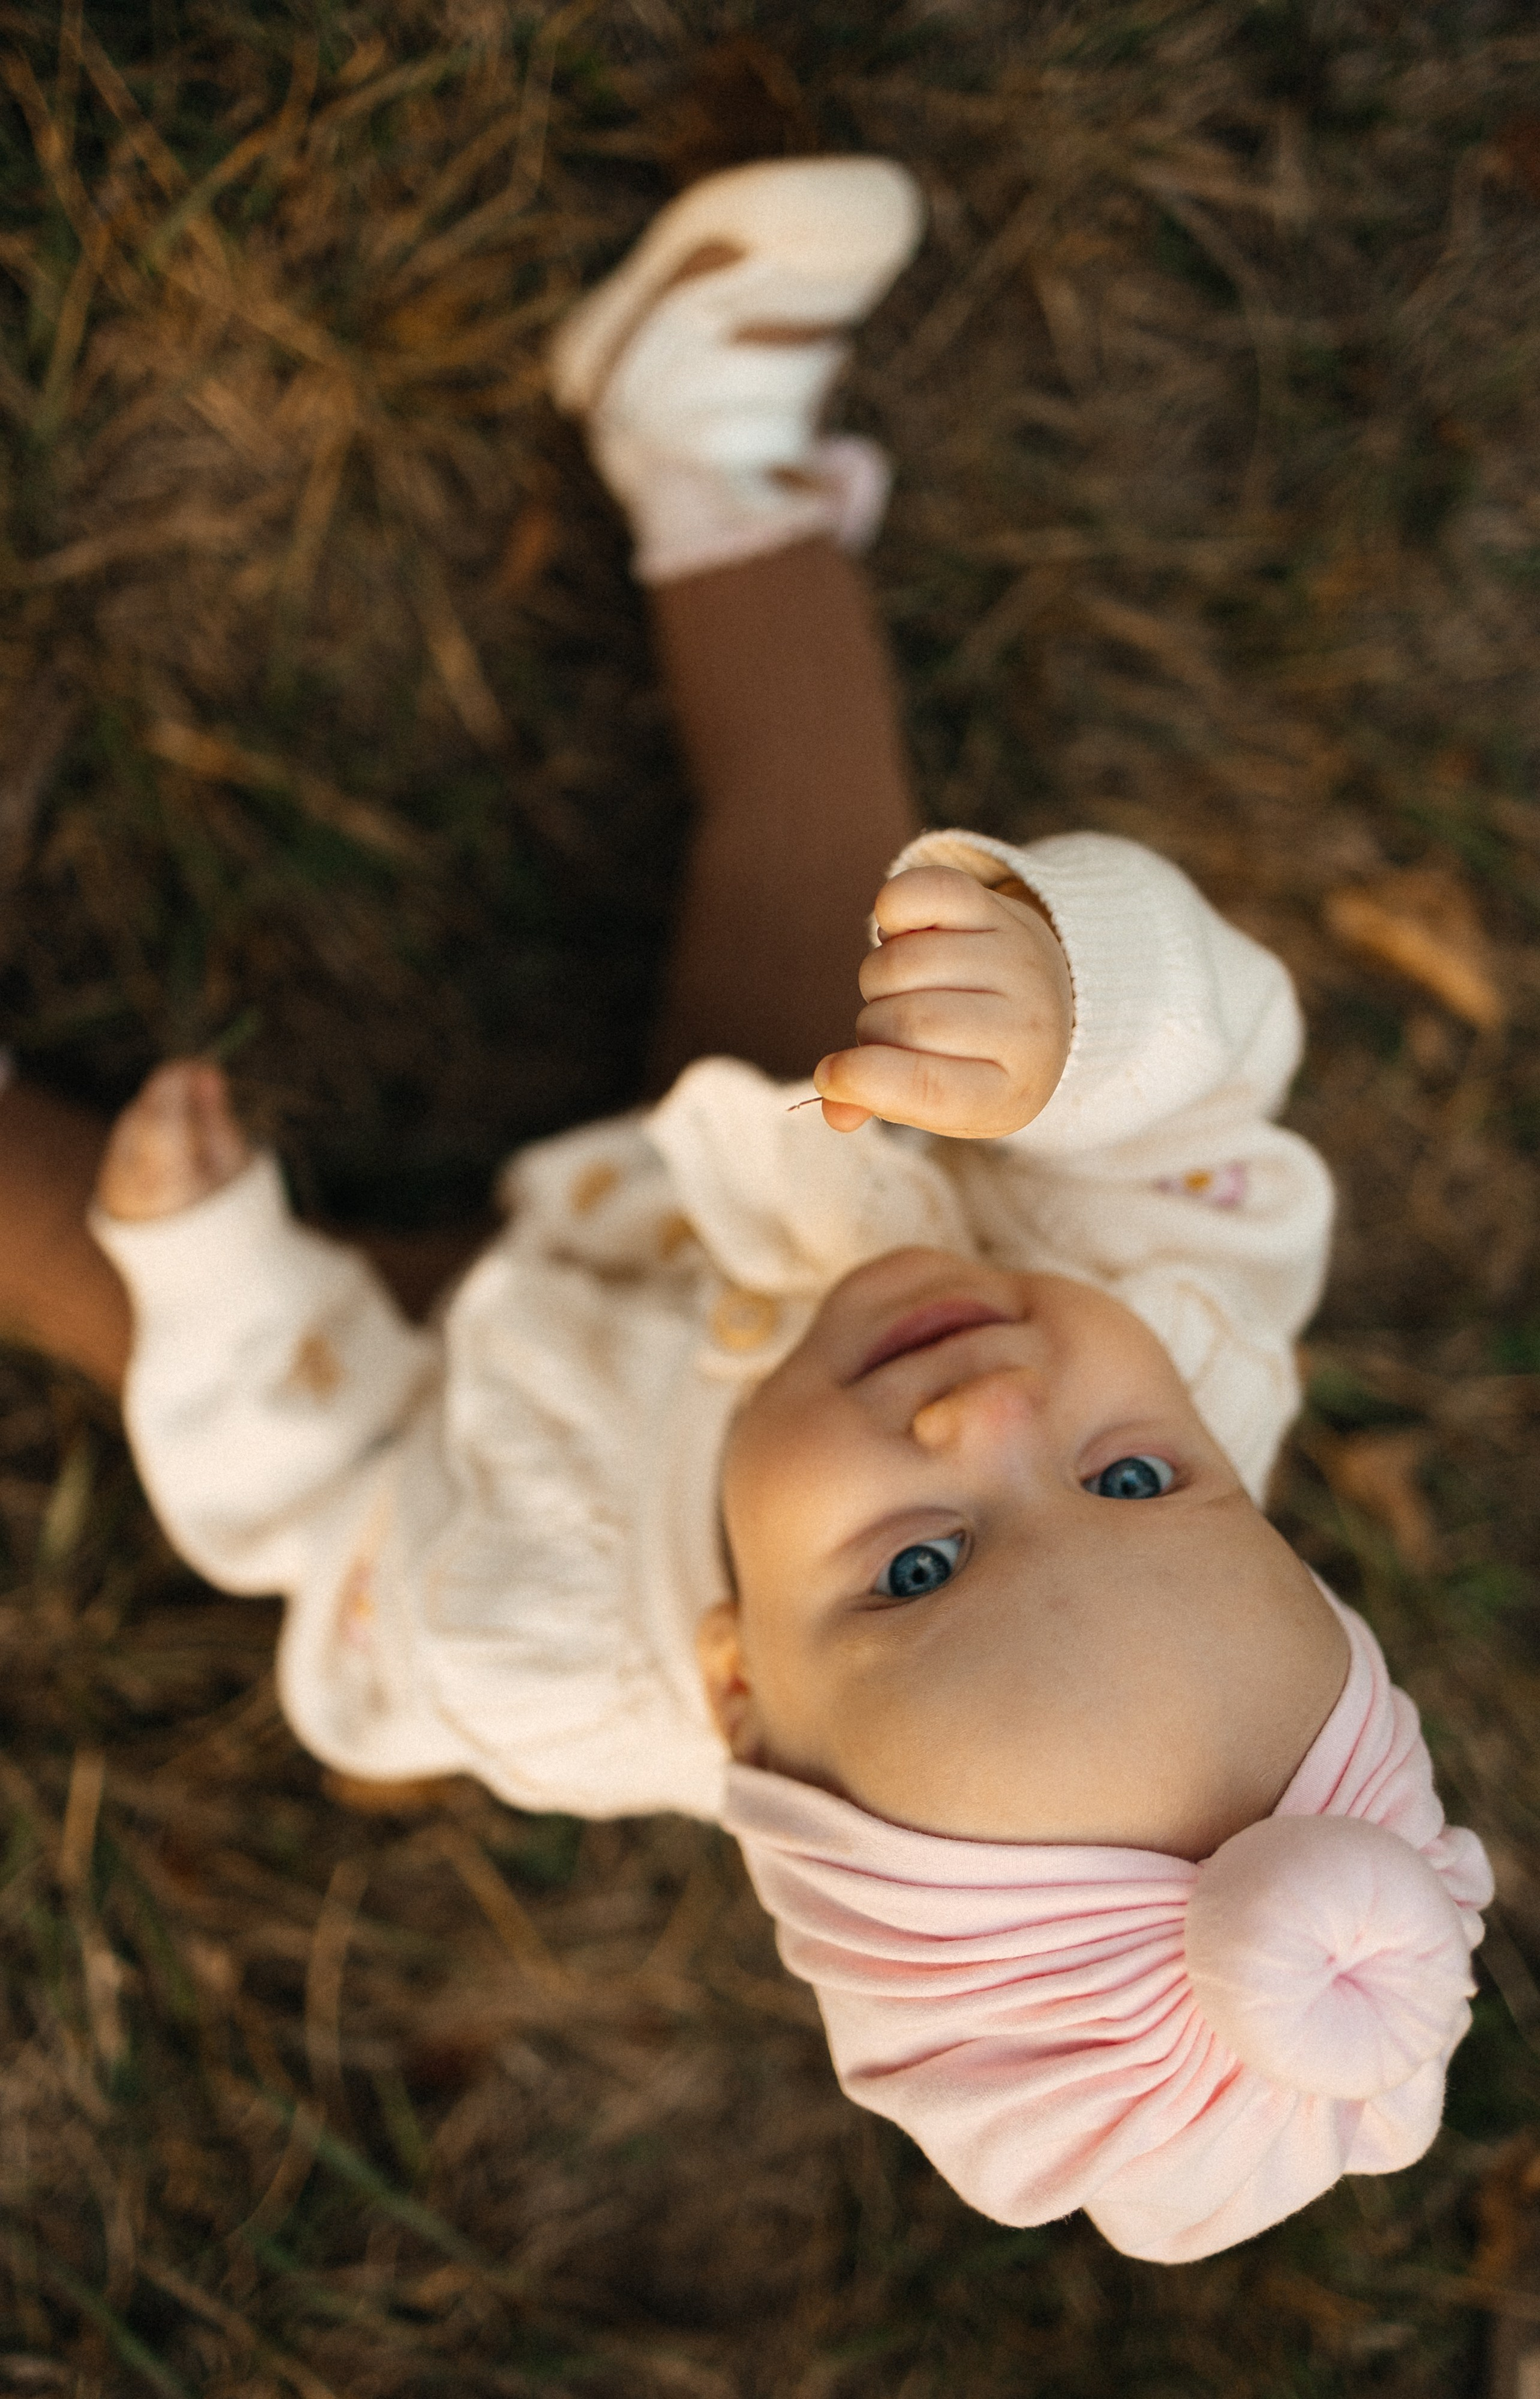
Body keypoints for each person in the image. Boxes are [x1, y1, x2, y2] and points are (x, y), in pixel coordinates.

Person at [15, 156, 1486, 2262]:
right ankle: (706, 453)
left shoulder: (535, 1654)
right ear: (1254, 1485)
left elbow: (317, 1504)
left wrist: (220, 1271)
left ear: (729, 1690)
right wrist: (1073, 1021)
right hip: (810, 1129)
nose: (991, 1411)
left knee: (104, 1271)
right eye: (1142, 1469)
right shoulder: (1186, 1282)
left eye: (915, 1566)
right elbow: (1223, 1057)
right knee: (850, 867)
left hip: (462, 1355)